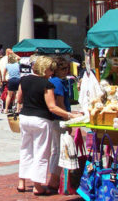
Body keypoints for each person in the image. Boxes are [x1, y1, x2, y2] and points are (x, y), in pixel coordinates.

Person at [15, 56, 81, 195]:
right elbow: (52, 107)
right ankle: (37, 186)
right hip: (41, 120)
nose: (52, 72)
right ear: (45, 69)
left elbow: (19, 98)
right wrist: (71, 115)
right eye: (51, 69)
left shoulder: (24, 79)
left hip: (25, 117)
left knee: (25, 149)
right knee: (41, 152)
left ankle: (21, 182)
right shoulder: (47, 84)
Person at [47, 56, 72, 192]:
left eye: (67, 68)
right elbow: (60, 103)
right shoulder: (58, 83)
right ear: (56, 70)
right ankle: (54, 180)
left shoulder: (54, 81)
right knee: (59, 149)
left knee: (56, 149)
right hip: (59, 119)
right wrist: (68, 119)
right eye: (63, 68)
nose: (66, 71)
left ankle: (55, 179)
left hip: (54, 119)